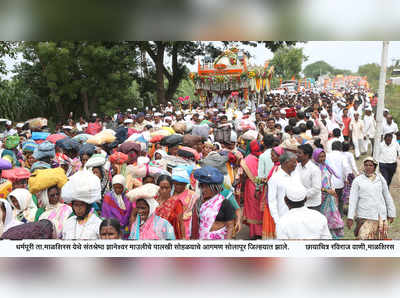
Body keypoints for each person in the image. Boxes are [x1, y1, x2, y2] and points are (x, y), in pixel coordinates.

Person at [347, 157, 396, 240]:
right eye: (366, 165)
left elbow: (387, 196)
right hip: (364, 216)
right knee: (363, 238)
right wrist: (350, 217)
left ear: (375, 167)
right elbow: (353, 199)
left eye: (371, 165)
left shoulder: (380, 179)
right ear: (363, 166)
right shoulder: (357, 180)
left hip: (379, 216)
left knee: (379, 242)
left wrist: (391, 214)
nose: (368, 167)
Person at [192, 166, 235, 240]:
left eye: (206, 187)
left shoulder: (225, 203)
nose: (203, 190)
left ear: (214, 188)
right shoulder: (199, 202)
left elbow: (230, 226)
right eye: (202, 187)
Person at [312, 148, 344, 239]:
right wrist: (326, 190)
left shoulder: (326, 166)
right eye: (320, 157)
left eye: (324, 156)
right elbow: (316, 185)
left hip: (329, 196)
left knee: (331, 217)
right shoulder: (314, 169)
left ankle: (332, 236)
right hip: (320, 197)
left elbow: (329, 180)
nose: (322, 158)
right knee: (322, 218)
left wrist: (332, 191)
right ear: (315, 157)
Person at [61, 171, 103, 240]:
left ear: (88, 206)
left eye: (81, 205)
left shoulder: (97, 223)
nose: (78, 208)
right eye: (76, 205)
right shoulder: (68, 223)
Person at [267, 151, 299, 227]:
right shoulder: (275, 179)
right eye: (294, 162)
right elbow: (272, 201)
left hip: (297, 217)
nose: (296, 164)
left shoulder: (296, 175)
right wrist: (277, 220)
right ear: (286, 163)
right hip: (283, 217)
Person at [240, 140, 263, 239]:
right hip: (262, 185)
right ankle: (262, 231)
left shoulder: (247, 159)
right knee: (259, 208)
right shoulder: (263, 156)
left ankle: (254, 232)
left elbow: (243, 175)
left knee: (252, 208)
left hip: (251, 185)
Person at [261, 146, 285, 239]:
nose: (271, 157)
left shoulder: (280, 168)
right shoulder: (275, 167)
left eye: (273, 156)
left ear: (279, 156)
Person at [154, 174, 185, 239]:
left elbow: (181, 223)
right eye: (161, 188)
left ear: (171, 188)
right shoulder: (153, 200)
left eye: (167, 188)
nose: (164, 190)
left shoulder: (176, 203)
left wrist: (183, 239)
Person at [101, 175, 133, 239]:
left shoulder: (129, 196)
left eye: (120, 188)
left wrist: (123, 223)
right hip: (111, 227)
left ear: (123, 186)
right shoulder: (108, 197)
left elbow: (129, 212)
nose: (118, 190)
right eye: (115, 188)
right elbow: (106, 213)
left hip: (125, 227)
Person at [325, 141, 351, 217]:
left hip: (329, 182)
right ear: (340, 148)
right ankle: (340, 213)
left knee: (331, 200)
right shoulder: (343, 156)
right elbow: (346, 167)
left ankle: (332, 214)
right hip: (339, 182)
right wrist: (347, 177)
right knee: (340, 199)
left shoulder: (327, 155)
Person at [295, 144, 322, 211]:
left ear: (306, 155)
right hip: (300, 203)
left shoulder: (314, 169)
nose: (297, 155)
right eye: (297, 152)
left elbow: (316, 188)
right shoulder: (296, 167)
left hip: (312, 204)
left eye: (299, 153)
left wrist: (302, 196)